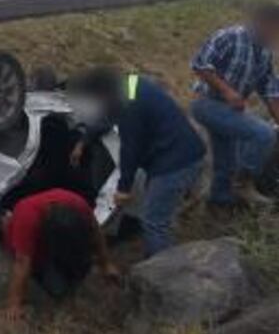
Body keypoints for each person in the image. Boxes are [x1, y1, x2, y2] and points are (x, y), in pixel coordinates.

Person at [71, 68, 206, 256]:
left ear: (103, 93)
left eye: (98, 100)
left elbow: (130, 149)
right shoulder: (130, 85)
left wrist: (123, 189)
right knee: (159, 215)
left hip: (177, 164)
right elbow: (110, 114)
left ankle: (162, 274)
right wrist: (84, 141)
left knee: (154, 223)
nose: (99, 105)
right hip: (182, 152)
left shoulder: (130, 104)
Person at [191, 5, 279, 208]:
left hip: (230, 111)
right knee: (263, 133)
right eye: (275, 29)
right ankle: (243, 182)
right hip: (206, 103)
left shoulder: (264, 53)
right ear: (264, 23)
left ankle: (219, 205)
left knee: (226, 163)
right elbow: (200, 64)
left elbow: (270, 92)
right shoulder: (230, 36)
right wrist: (227, 91)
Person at [2, 188, 118, 321]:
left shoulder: (79, 205)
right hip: (37, 250)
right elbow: (22, 262)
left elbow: (96, 232)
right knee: (58, 288)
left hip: (66, 239)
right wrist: (14, 303)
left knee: (81, 267)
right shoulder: (27, 219)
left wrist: (107, 264)